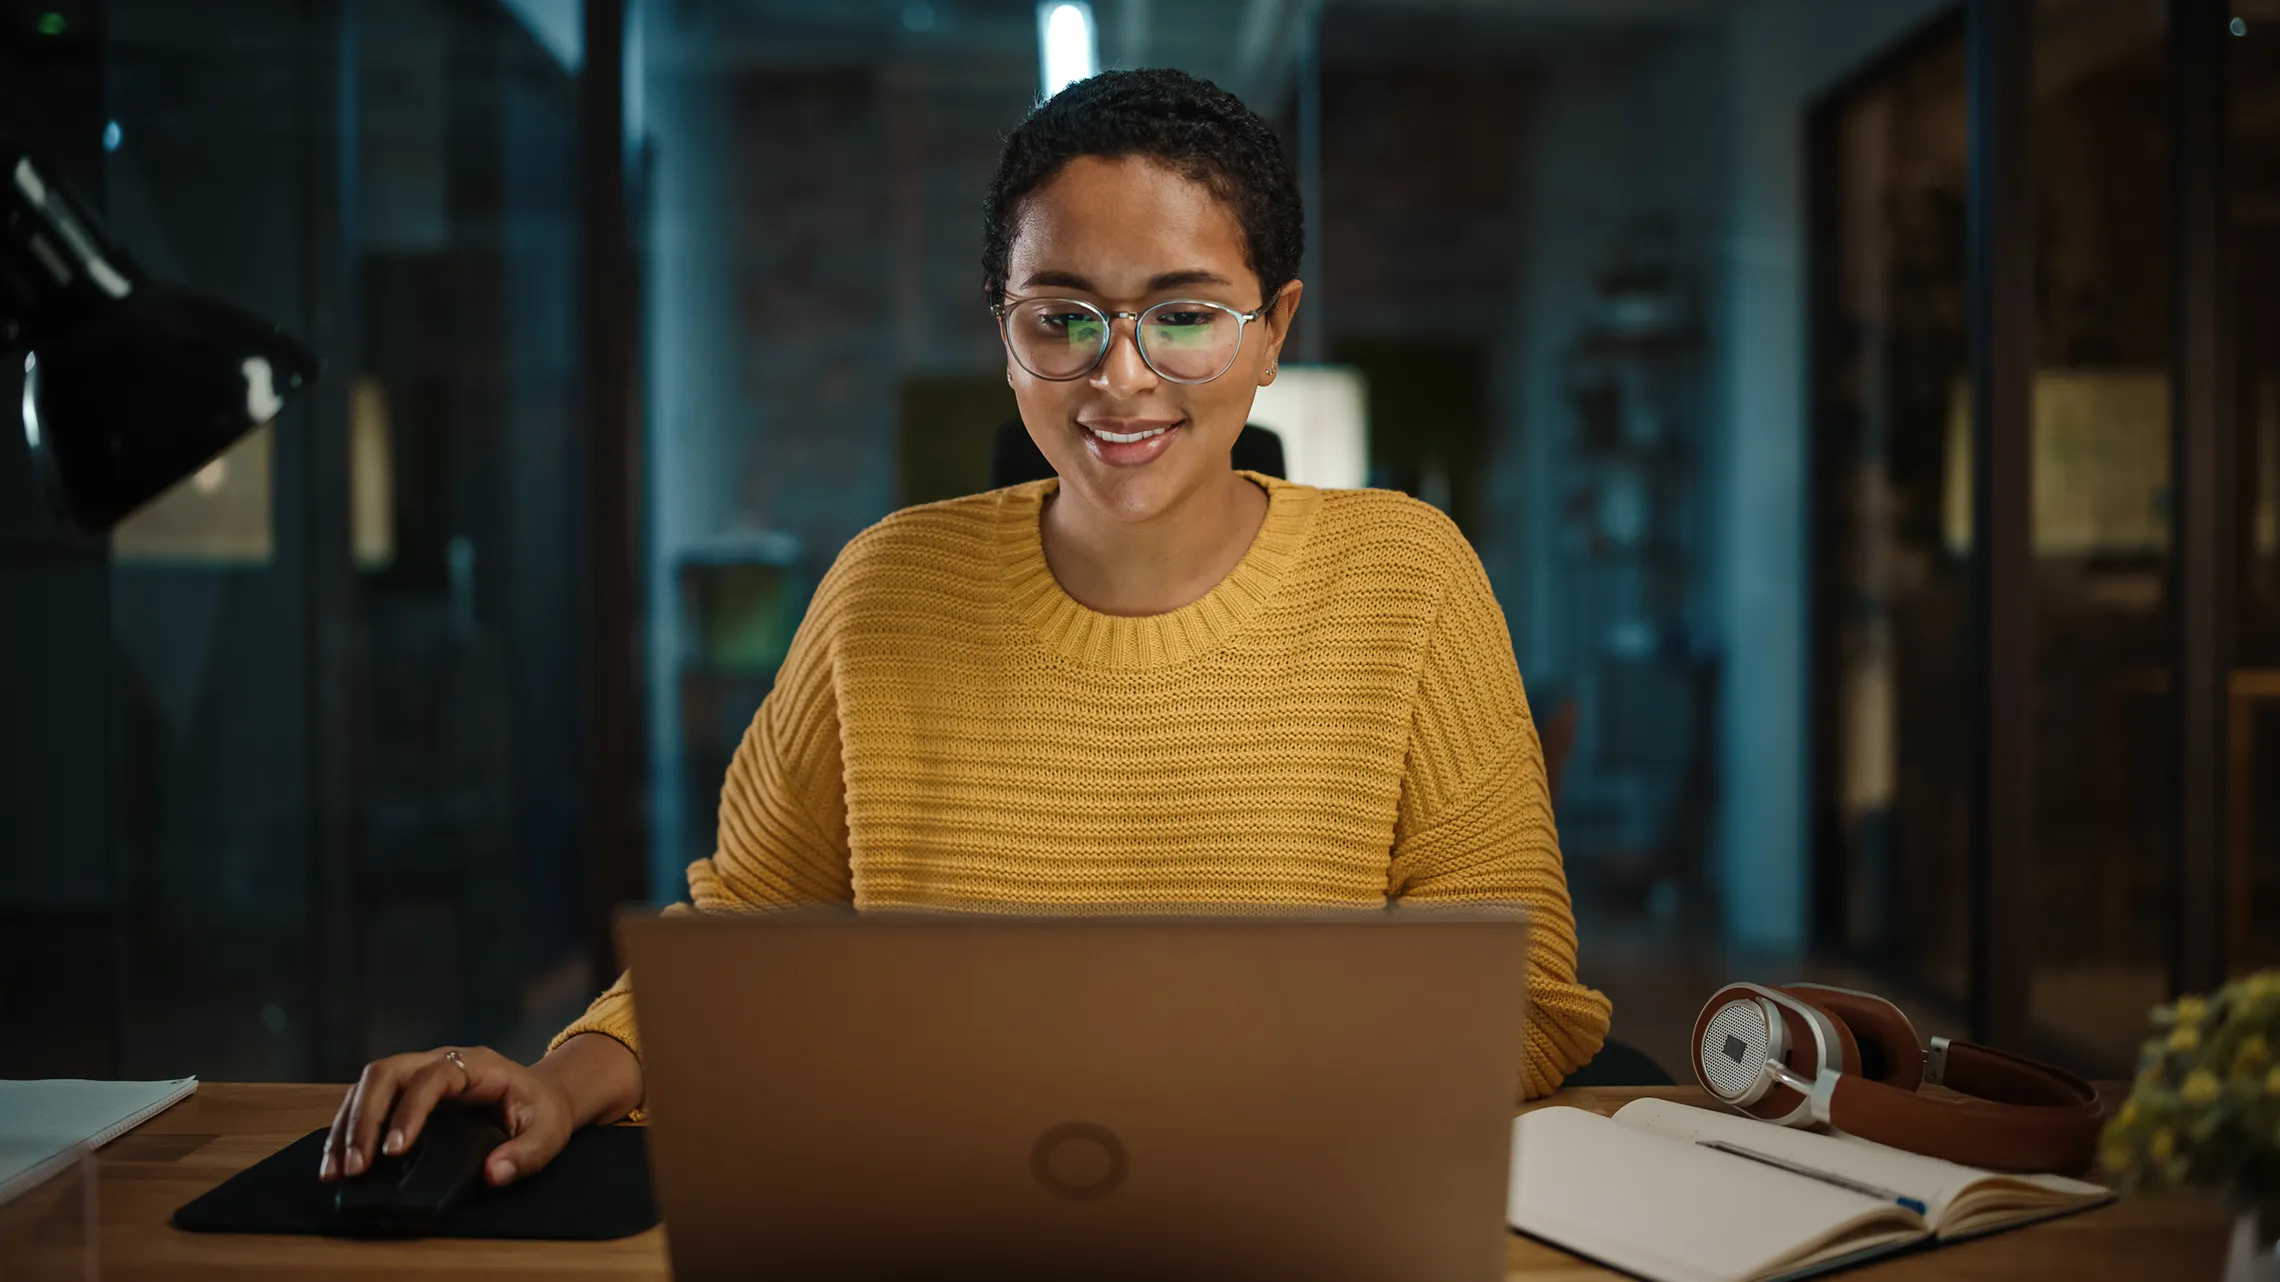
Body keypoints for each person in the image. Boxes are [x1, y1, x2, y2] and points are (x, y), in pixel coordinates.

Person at [320, 67, 1611, 1191]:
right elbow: (746, 946)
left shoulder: (1408, 577)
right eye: (1060, 317)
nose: (1119, 375)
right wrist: (569, 1076)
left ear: (1273, 329)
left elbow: (1524, 993)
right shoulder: (885, 587)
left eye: (1183, 314)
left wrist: (1258, 1115)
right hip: (947, 1213)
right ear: (1003, 330)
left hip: (1301, 1206)